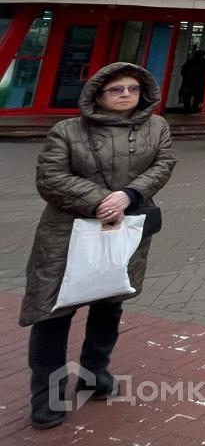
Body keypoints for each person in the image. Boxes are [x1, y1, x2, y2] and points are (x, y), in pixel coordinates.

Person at [21, 62, 176, 429]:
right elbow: (51, 177)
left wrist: (129, 195)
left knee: (109, 303)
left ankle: (95, 374)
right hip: (67, 233)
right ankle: (47, 396)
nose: (126, 95)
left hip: (124, 231)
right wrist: (101, 201)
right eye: (116, 89)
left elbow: (163, 163)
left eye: (133, 89)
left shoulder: (157, 127)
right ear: (97, 94)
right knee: (54, 312)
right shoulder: (68, 131)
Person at [178, 48, 205, 113]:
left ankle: (187, 108)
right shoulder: (204, 63)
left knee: (187, 96)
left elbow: (183, 71)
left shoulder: (190, 61)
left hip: (188, 82)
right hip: (198, 83)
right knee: (197, 96)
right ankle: (194, 108)